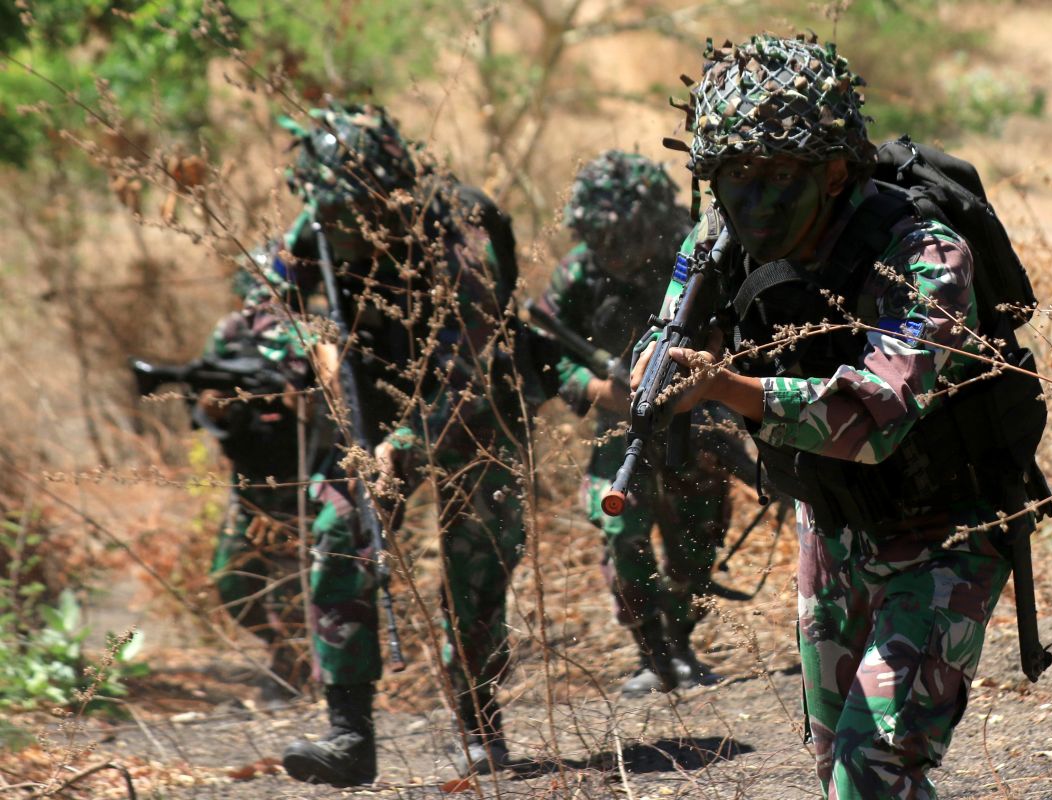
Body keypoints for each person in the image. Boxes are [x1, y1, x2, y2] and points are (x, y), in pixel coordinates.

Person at [631, 34, 1033, 798]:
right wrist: (655, 364)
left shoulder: (924, 252)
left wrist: (726, 389)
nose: (751, 200)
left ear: (836, 171)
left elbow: (879, 415)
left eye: (778, 175)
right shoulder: (717, 239)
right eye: (733, 175)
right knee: (834, 769)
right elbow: (666, 329)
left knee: (870, 770)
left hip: (946, 529)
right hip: (831, 524)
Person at [276, 103, 545, 785]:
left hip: (474, 413)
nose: (336, 231)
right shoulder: (321, 219)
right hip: (376, 405)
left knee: (474, 571)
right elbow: (263, 302)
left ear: (388, 197)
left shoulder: (458, 242)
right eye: (327, 216)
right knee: (340, 530)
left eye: (351, 216)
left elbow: (465, 377)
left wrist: (402, 445)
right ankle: (349, 737)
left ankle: (482, 727)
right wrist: (313, 346)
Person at [533, 151, 731, 696]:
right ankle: (653, 652)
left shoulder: (689, 257)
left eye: (624, 243)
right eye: (603, 244)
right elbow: (548, 350)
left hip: (696, 422)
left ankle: (681, 640)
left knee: (695, 537)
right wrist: (600, 390)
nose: (615, 256)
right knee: (622, 532)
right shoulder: (579, 272)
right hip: (622, 431)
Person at [194, 246, 332, 703]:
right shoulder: (232, 332)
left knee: (294, 584)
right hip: (250, 478)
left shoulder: (313, 333)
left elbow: (337, 403)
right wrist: (222, 407)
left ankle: (299, 673)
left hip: (300, 477)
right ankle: (283, 652)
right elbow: (207, 399)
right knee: (231, 580)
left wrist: (299, 398)